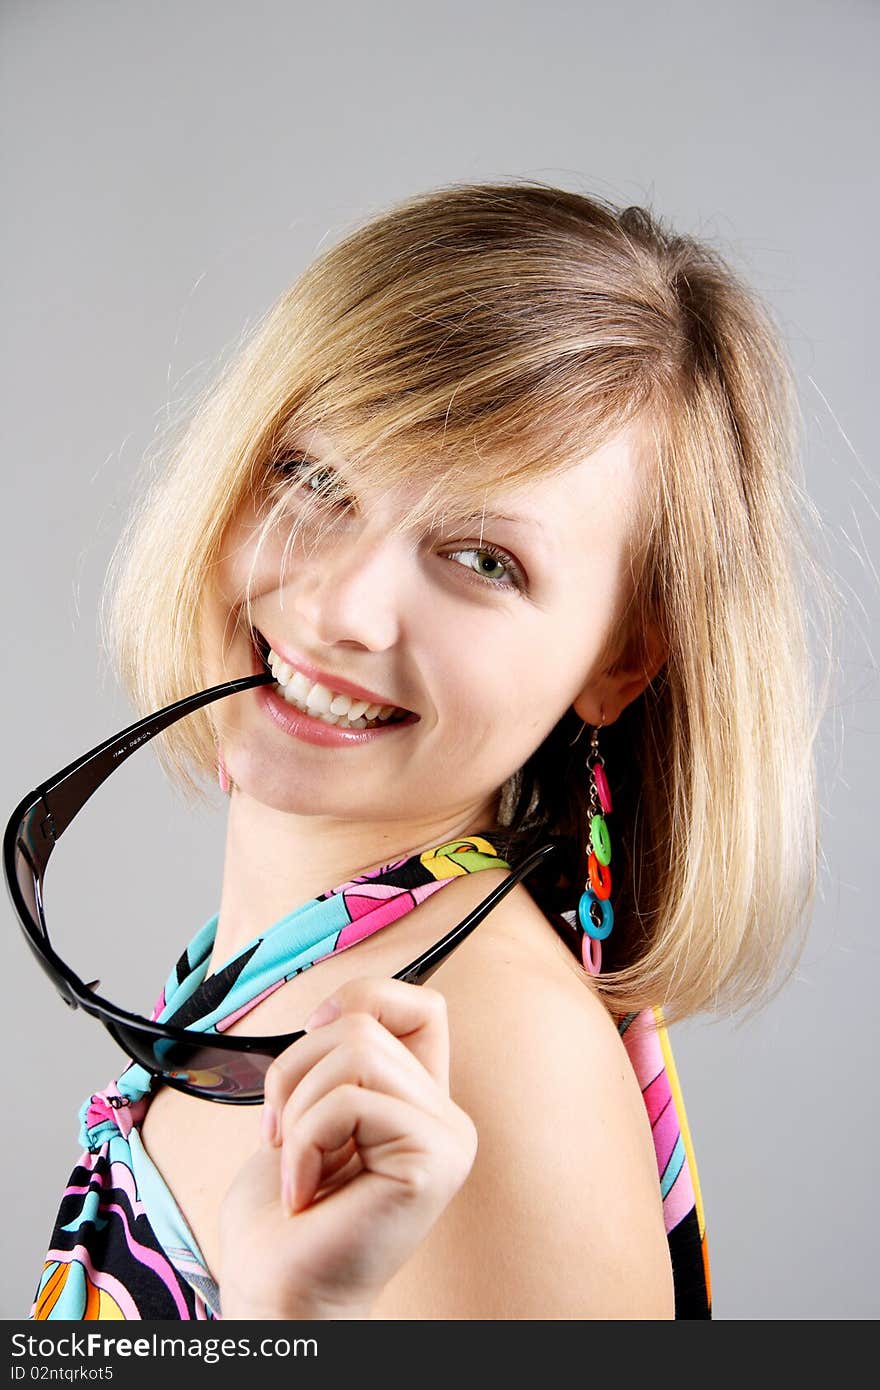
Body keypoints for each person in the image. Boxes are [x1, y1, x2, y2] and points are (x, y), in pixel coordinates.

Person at [27, 180, 832, 1321]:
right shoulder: (297, 963)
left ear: (620, 662)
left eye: (484, 558)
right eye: (314, 476)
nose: (343, 607)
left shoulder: (502, 1075)